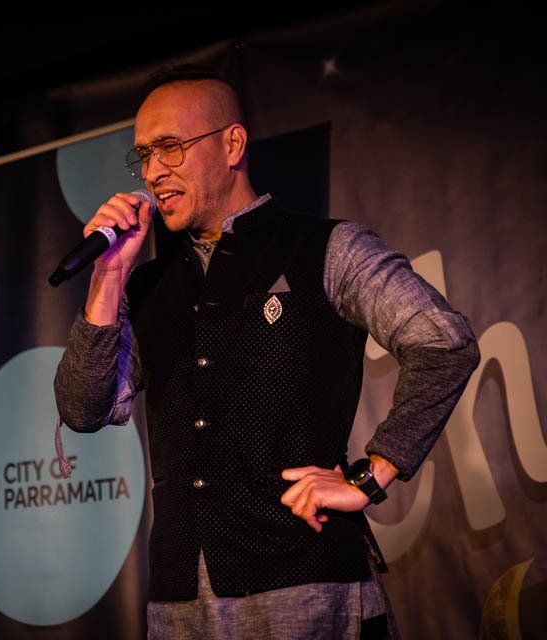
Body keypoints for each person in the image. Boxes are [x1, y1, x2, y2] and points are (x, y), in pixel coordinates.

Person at [53, 67, 480, 639]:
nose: (154, 172)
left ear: (232, 144)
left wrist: (369, 477)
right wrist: (107, 277)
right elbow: (82, 409)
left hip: (306, 590)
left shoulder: (326, 248)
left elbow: (444, 342)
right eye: (143, 156)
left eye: (171, 148)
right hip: (180, 604)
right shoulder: (145, 285)